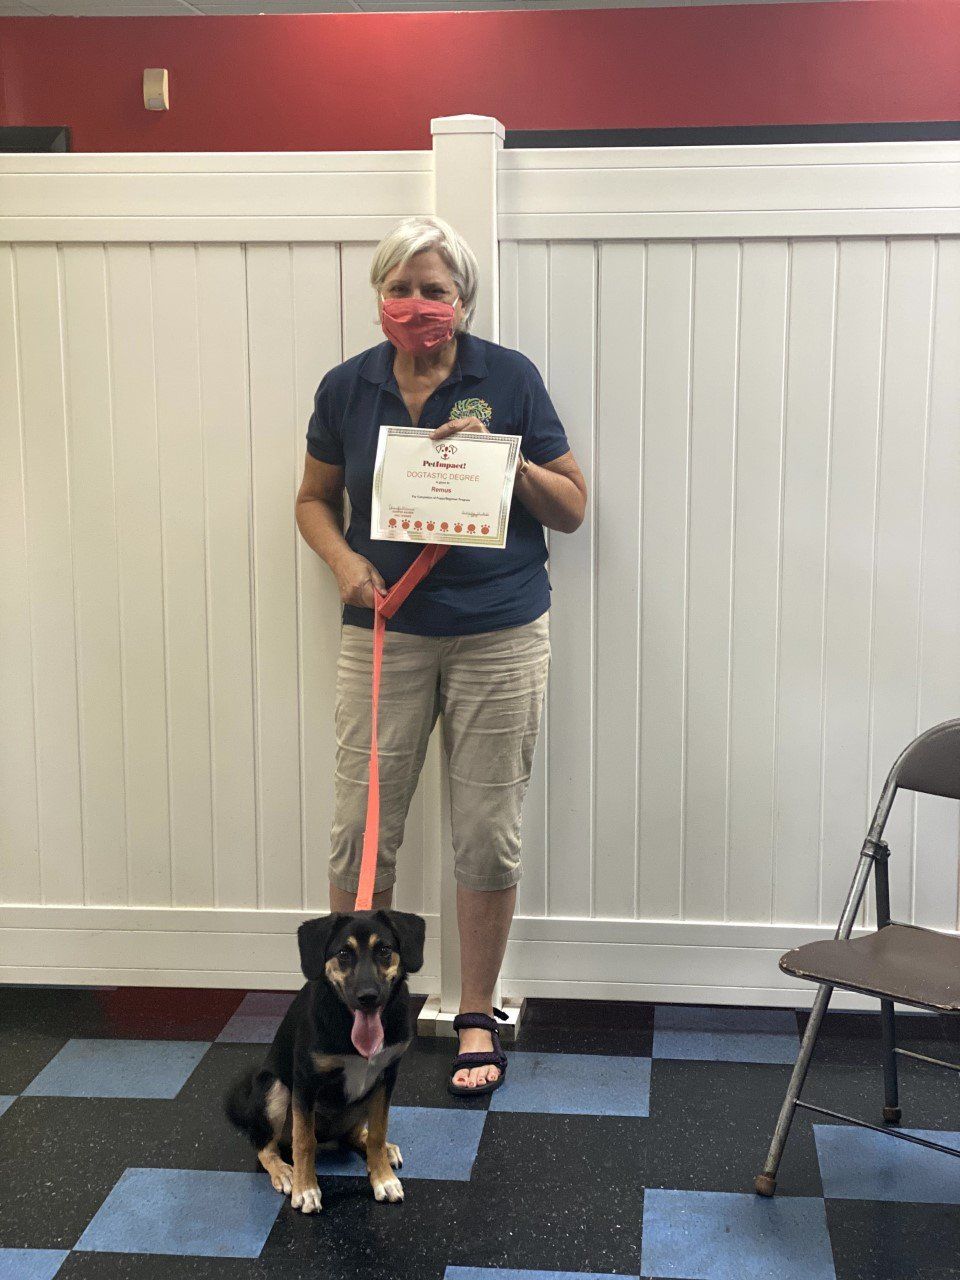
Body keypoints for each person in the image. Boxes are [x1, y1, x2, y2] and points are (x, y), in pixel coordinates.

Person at [295, 215, 587, 1096]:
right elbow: (312, 500)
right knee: (360, 832)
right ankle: (350, 1010)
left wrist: (507, 466)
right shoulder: (347, 388)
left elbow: (572, 506)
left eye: (435, 290)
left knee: (486, 832)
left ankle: (474, 1011)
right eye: (403, 288)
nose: (418, 305)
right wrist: (345, 565)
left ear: (462, 300)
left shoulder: (509, 378)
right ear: (380, 296)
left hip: (500, 630)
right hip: (384, 632)